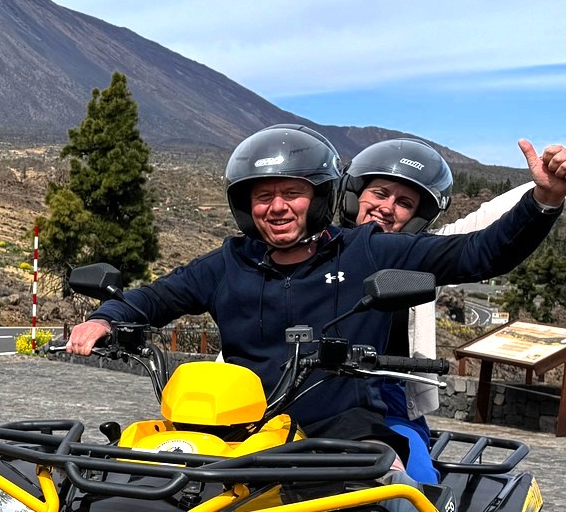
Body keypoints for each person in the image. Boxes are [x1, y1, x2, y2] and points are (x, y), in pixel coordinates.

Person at [66, 124, 566, 478]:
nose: (277, 207)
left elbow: (478, 252)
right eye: (263, 196)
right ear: (245, 206)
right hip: (237, 428)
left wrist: (543, 200)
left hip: (342, 429)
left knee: (399, 506)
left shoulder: (369, 251)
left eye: (292, 193)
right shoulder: (228, 262)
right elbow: (155, 296)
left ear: (322, 198)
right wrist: (106, 319)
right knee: (135, 483)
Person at [339, 137, 534, 481]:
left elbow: (484, 221)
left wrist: (545, 189)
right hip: (305, 393)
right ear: (354, 195)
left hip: (388, 402)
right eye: (380, 194)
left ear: (417, 218)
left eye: (404, 203)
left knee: (417, 488)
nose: (387, 207)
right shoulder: (314, 251)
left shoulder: (417, 257)